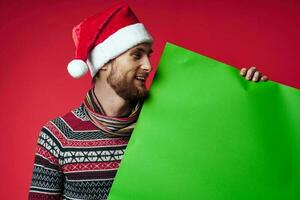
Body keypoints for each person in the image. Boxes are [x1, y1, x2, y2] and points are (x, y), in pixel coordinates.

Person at [29, 3, 268, 200]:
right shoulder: (58, 135)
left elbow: (226, 154)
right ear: (104, 63)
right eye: (136, 55)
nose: (148, 65)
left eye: (148, 55)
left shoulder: (168, 119)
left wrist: (249, 97)